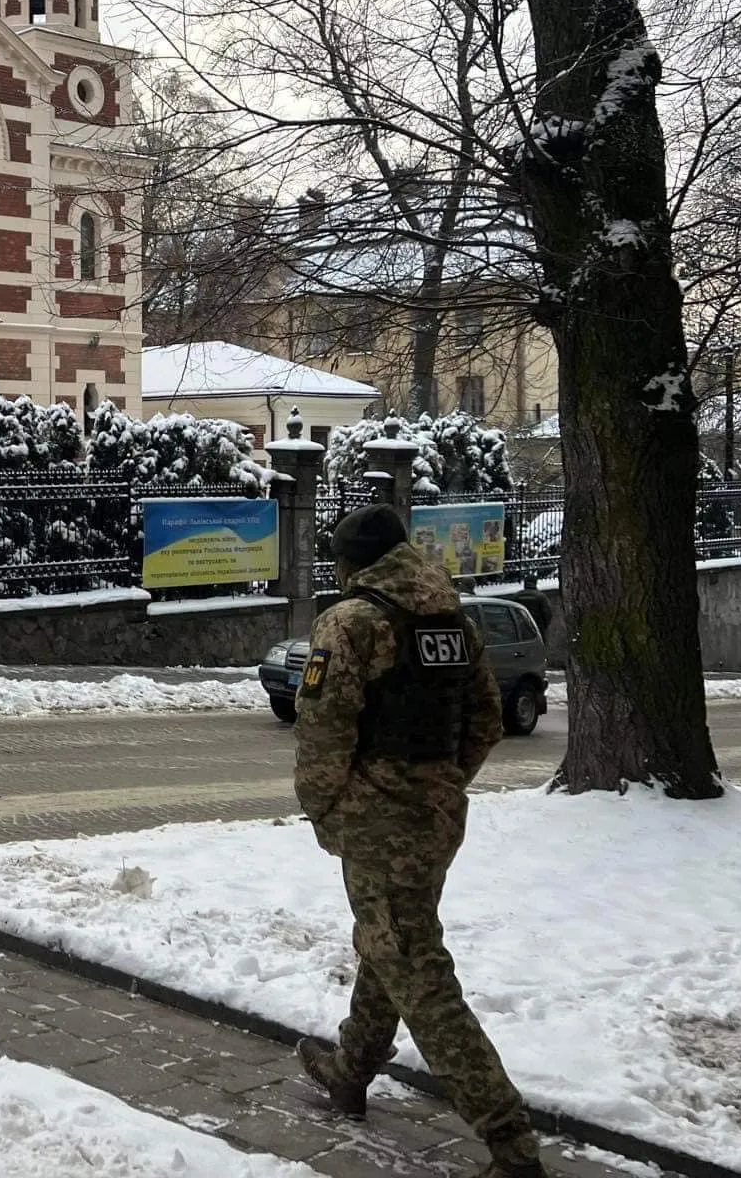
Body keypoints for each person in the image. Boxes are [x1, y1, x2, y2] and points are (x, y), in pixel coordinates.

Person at [293, 503, 547, 1178]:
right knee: (391, 940)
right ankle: (351, 1069)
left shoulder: (351, 622)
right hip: (437, 816)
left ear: (351, 564)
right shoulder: (453, 620)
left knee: (417, 970)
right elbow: (487, 718)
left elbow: (322, 729)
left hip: (378, 820)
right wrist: (440, 782)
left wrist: (327, 807)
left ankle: (511, 1144)